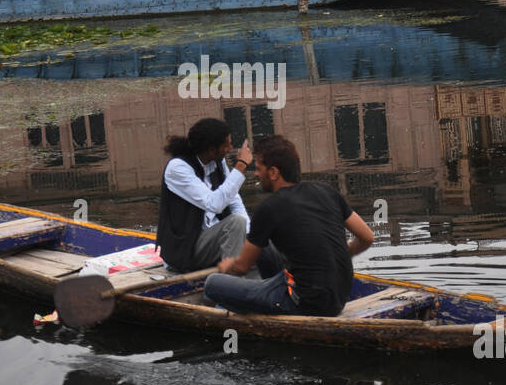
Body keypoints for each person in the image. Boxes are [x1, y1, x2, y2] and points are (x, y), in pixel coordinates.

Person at [205, 134, 374, 317]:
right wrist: (337, 254)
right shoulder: (326, 191)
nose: (256, 174)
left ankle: (257, 300)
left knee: (213, 283)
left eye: (259, 169)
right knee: (264, 247)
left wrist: (229, 265)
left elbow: (242, 266)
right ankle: (269, 288)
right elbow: (367, 237)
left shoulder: (268, 208)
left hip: (305, 302)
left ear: (274, 173)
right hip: (339, 297)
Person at [156, 117, 252, 271]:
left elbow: (233, 199)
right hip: (186, 249)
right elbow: (214, 204)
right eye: (226, 145)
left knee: (255, 233)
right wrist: (241, 166)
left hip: (211, 241)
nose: (230, 148)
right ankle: (233, 284)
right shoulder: (178, 168)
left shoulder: (217, 161)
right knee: (235, 223)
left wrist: (248, 235)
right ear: (211, 150)